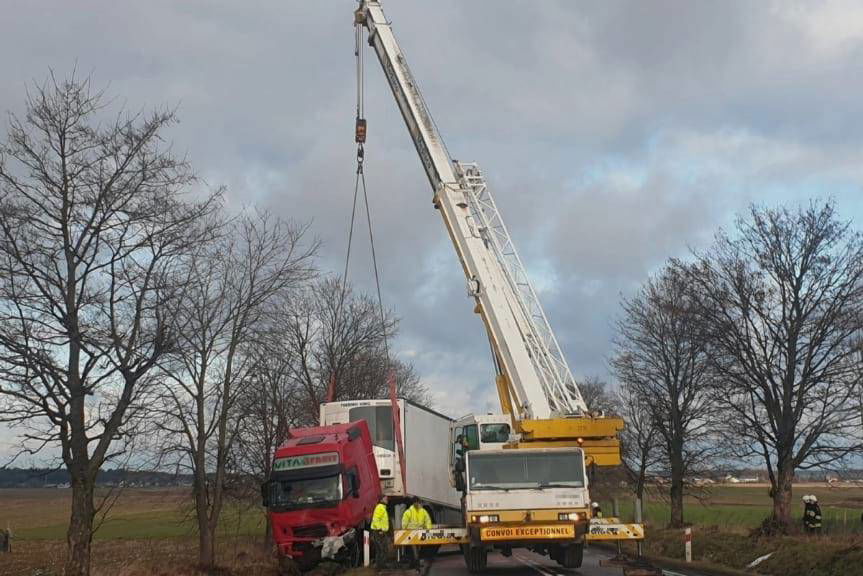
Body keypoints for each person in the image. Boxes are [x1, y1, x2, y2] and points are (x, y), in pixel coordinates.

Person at [401, 497, 432, 568]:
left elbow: (427, 520)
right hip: (412, 533)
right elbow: (404, 523)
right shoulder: (410, 512)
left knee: (417, 549)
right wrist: (404, 531)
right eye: (417, 502)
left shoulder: (421, 511)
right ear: (415, 503)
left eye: (418, 502)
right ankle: (416, 563)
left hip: (418, 533)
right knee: (415, 549)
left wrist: (428, 529)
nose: (418, 504)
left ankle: (414, 563)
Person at [370, 495, 390, 568]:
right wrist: (380, 530)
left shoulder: (382, 507)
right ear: (381, 500)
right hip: (379, 532)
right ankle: (381, 566)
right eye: (385, 498)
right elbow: (376, 519)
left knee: (380, 550)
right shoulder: (380, 507)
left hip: (379, 531)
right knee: (383, 549)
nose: (387, 499)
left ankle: (380, 566)